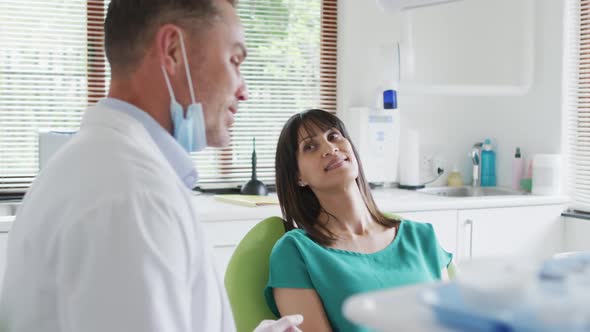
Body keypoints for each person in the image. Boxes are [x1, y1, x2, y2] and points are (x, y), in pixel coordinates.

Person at [0, 0, 303, 331]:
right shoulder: (132, 196)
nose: (243, 91)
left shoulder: (92, 166)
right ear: (172, 51)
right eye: (234, 60)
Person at [264, 109, 453, 331]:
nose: (330, 148)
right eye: (310, 146)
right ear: (298, 176)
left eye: (333, 136)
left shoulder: (421, 237)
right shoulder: (296, 252)